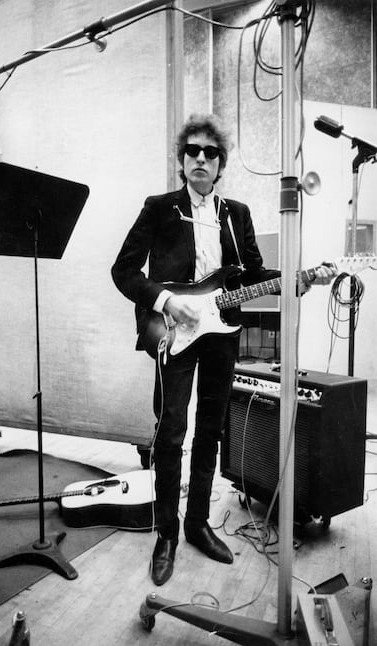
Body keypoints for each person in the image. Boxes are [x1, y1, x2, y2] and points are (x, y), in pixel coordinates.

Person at [111, 113, 335, 586]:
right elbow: (124, 271)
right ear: (181, 160)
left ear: (220, 164)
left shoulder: (237, 215)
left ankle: (197, 524)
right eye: (192, 151)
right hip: (175, 331)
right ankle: (166, 533)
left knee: (211, 430)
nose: (200, 158)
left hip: (222, 335)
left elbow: (252, 278)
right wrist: (169, 300)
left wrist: (297, 282)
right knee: (172, 432)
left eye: (210, 153)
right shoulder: (159, 207)